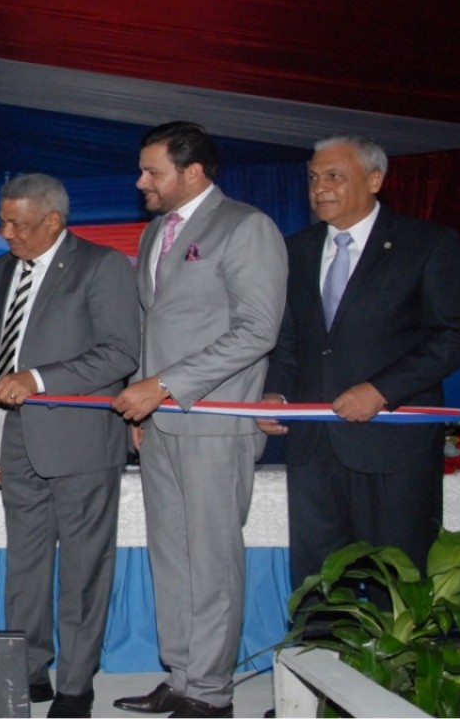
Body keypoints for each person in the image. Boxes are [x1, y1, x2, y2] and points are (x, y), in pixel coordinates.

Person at [112, 122, 286, 719]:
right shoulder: (155, 233)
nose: (141, 182)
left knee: (211, 561)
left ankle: (211, 694)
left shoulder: (246, 227)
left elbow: (258, 330)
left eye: (152, 171)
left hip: (213, 420)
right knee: (174, 558)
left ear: (194, 172)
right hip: (159, 423)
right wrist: (144, 402)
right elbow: (150, 324)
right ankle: (183, 675)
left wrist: (163, 386)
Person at [259, 134, 460, 592]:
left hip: (392, 446)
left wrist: (381, 390)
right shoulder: (295, 249)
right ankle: (317, 660)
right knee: (319, 584)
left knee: (397, 581)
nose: (321, 187)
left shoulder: (426, 244)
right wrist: (273, 394)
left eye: (335, 176)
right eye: (314, 177)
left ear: (374, 179)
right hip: (313, 447)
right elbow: (289, 340)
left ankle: (392, 666)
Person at [0, 174, 140, 718]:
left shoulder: (103, 265)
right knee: (23, 569)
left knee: (83, 569)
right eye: (1, 221)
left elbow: (121, 353)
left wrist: (39, 379)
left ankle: (76, 686)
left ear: (53, 221)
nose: (5, 234)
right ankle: (29, 671)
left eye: (16, 224)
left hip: (80, 441)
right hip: (16, 440)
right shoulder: (1, 271)